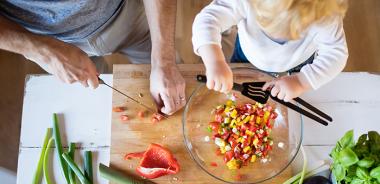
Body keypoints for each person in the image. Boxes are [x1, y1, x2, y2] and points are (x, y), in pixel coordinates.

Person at [0, 0, 185, 115]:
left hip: (123, 14)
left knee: (175, 85)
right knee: (97, 106)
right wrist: (44, 51)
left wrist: (164, 61)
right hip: (47, 40)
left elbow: (166, 64)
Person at [192, 0, 348, 102]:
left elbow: (336, 53)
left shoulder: (325, 15)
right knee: (238, 97)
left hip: (297, 65)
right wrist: (215, 62)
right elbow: (208, 19)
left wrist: (302, 81)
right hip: (247, 56)